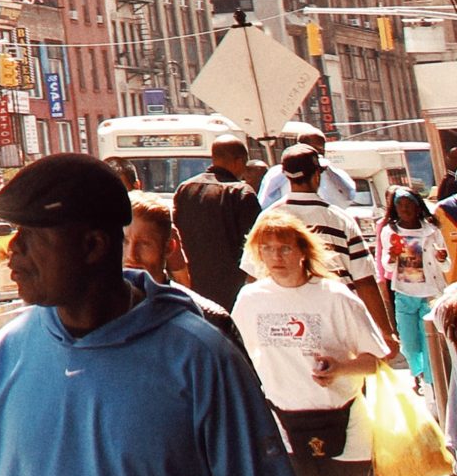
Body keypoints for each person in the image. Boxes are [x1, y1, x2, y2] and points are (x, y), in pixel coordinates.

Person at [0, 153, 319, 476]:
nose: (12, 252)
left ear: (93, 245)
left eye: (30, 235)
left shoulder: (200, 359)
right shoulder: (10, 352)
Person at [231, 211, 394, 476]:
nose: (276, 258)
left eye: (285, 249)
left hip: (344, 422)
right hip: (282, 425)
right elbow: (237, 359)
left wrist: (341, 367)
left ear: (303, 251)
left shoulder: (336, 296)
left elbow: (376, 359)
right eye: (268, 249)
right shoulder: (250, 300)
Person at [267, 144, 394, 340]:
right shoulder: (339, 219)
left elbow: (254, 276)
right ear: (317, 175)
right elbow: (365, 281)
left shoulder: (268, 219)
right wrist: (385, 333)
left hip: (287, 323)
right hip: (337, 320)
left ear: (286, 175)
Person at [125, 194, 246, 355]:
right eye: (123, 241)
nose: (131, 255)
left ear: (169, 247)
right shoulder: (89, 318)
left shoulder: (208, 319)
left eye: (144, 244)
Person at [171, 132, 262, 310]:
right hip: (233, 293)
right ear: (238, 161)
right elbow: (255, 246)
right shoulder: (241, 193)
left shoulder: (185, 188)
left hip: (194, 288)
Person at [377, 186, 448, 388]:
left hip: (430, 295)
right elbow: (386, 265)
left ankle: (431, 383)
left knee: (430, 343)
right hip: (405, 295)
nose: (405, 209)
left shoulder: (431, 230)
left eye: (409, 205)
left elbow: (446, 264)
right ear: (395, 209)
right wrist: (390, 257)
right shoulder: (390, 231)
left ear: (418, 207)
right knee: (409, 344)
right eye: (400, 205)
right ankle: (418, 372)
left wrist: (442, 258)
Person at [258, 126, 357, 210]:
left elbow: (349, 196)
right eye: (313, 150)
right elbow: (265, 203)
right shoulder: (279, 172)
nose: (317, 155)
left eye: (321, 151)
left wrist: (328, 171)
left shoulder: (331, 172)